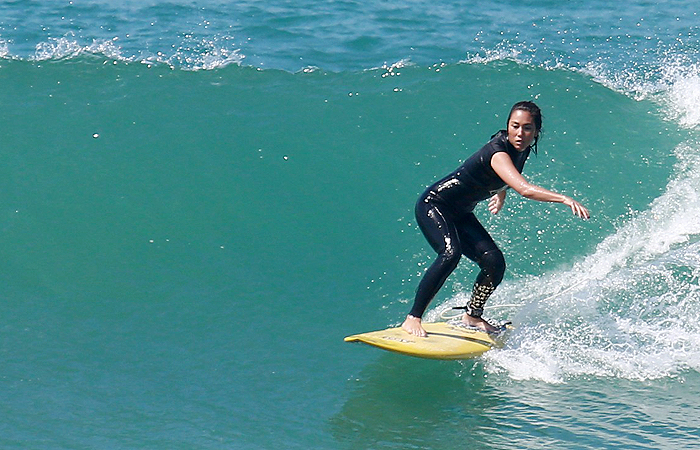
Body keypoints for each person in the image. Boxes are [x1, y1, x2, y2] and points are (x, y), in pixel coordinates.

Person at [402, 101, 589, 337]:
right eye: (515, 126)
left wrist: (500, 194)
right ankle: (413, 318)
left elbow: (506, 177)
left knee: (494, 262)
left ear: (536, 132)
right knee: (451, 253)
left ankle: (472, 315)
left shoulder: (521, 150)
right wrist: (564, 199)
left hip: (461, 212)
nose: (520, 133)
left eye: (527, 128)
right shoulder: (499, 151)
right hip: (435, 205)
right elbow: (524, 188)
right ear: (508, 126)